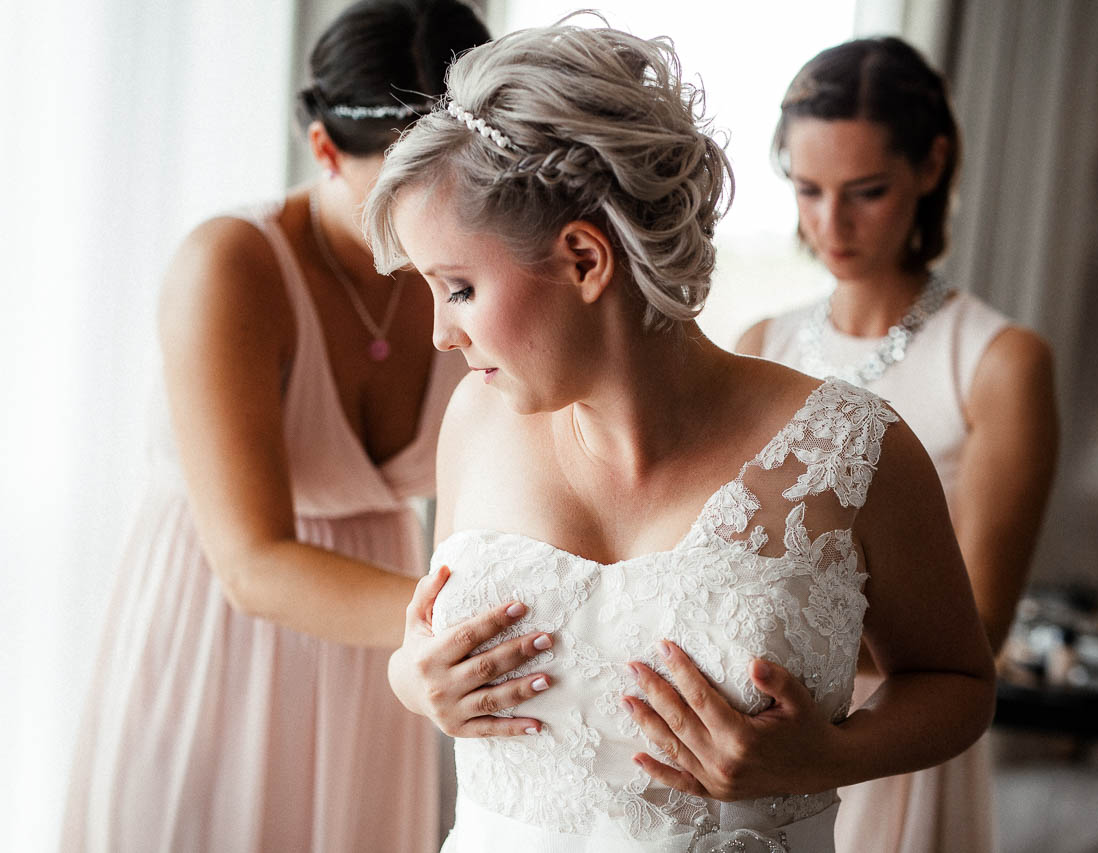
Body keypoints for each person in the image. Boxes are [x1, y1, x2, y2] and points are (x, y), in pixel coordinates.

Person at [365, 19, 997, 852]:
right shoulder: (474, 421)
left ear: (586, 259)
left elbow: (957, 682)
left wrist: (831, 753)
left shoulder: (849, 449)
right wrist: (413, 680)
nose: (442, 335)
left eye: (458, 289)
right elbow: (428, 647)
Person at [59, 2, 489, 850]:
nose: (442, 213)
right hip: (221, 639)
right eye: (403, 185)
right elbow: (251, 563)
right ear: (325, 149)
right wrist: (453, 628)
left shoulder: (470, 270)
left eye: (468, 181)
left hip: (379, 661)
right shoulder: (231, 267)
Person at [736, 37, 1059, 853]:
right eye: (808, 190)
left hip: (901, 746)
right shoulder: (761, 343)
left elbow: (977, 633)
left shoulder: (996, 364)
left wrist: (770, 647)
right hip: (755, 736)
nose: (830, 224)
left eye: (866, 191)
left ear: (931, 164)